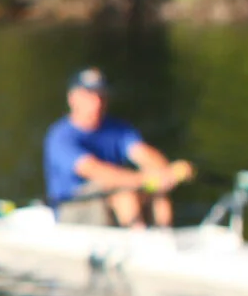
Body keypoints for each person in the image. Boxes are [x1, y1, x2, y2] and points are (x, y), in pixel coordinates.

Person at [42, 67, 195, 228]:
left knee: (155, 187)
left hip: (108, 200)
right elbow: (96, 170)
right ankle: (138, 237)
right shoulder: (60, 137)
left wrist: (167, 171)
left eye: (101, 95)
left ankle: (165, 234)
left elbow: (143, 153)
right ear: (72, 98)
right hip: (73, 209)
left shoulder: (118, 128)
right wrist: (145, 179)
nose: (97, 101)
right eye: (89, 95)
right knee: (124, 190)